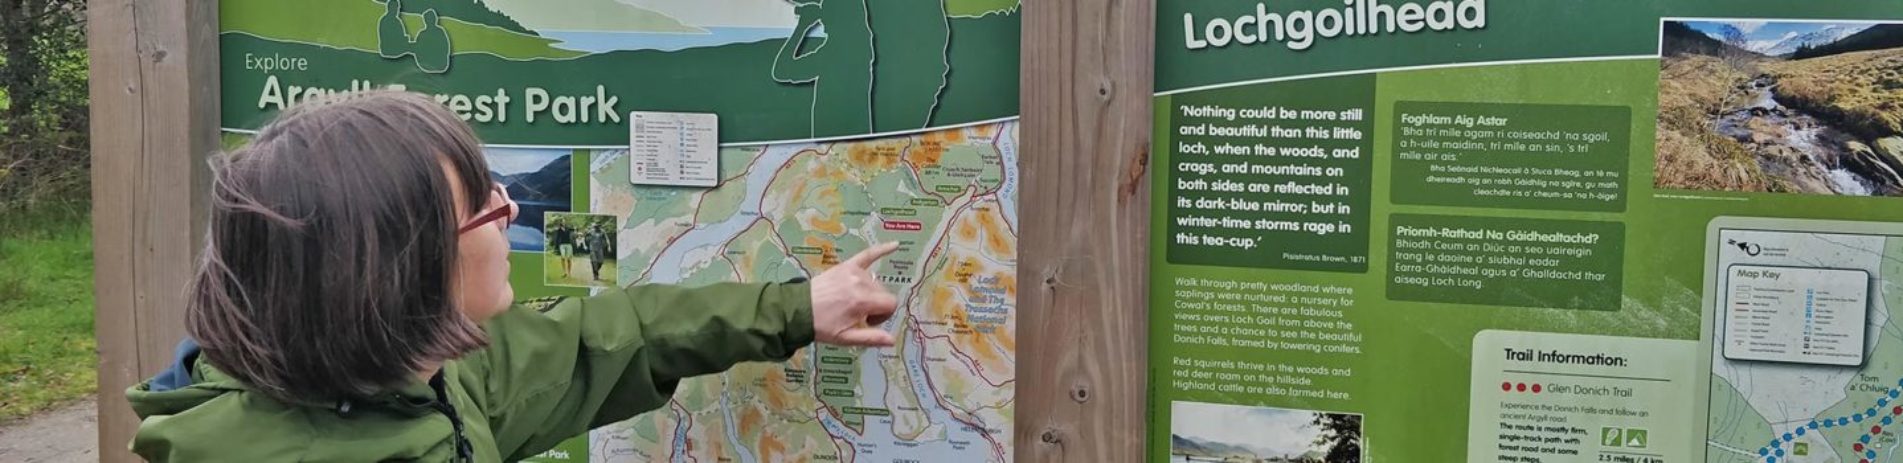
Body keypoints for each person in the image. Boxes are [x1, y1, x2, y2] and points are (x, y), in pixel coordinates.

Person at [124, 91, 901, 462]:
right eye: (482, 202)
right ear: (397, 274)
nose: (508, 207)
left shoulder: (405, 373)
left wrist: (794, 306)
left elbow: (600, 340)